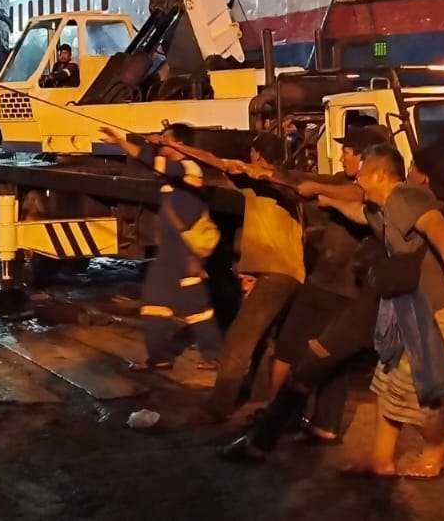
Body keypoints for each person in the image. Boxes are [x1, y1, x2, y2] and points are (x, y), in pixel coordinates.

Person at [217, 125, 392, 461]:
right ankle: (316, 425)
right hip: (334, 285)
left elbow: (355, 199)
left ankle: (271, 425)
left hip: (340, 289)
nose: (343, 154)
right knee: (324, 358)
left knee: (298, 356)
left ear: (368, 159)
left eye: (349, 150)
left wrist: (313, 187)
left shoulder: (375, 196)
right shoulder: (350, 187)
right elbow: (313, 188)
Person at [323, 144, 444, 478]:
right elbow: (355, 210)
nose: (357, 181)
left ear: (377, 174)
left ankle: (436, 448)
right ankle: (382, 459)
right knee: (388, 382)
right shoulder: (386, 210)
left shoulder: (406, 197)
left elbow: (437, 229)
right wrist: (320, 194)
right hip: (425, 315)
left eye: (360, 174)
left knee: (411, 387)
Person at [101, 125, 222, 372]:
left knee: (196, 308)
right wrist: (120, 141)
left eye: (168, 140)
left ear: (180, 144)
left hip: (186, 252)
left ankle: (215, 354)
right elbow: (145, 159)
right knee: (154, 303)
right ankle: (159, 357)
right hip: (169, 252)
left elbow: (157, 164)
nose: (162, 145)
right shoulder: (171, 176)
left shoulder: (191, 168)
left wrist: (156, 144)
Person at [204, 133, 303, 418]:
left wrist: (174, 146)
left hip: (276, 273)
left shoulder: (256, 181)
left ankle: (218, 406)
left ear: (257, 155)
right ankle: (258, 396)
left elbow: (215, 162)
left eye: (251, 154)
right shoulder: (291, 181)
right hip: (292, 272)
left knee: (239, 338)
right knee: (266, 338)